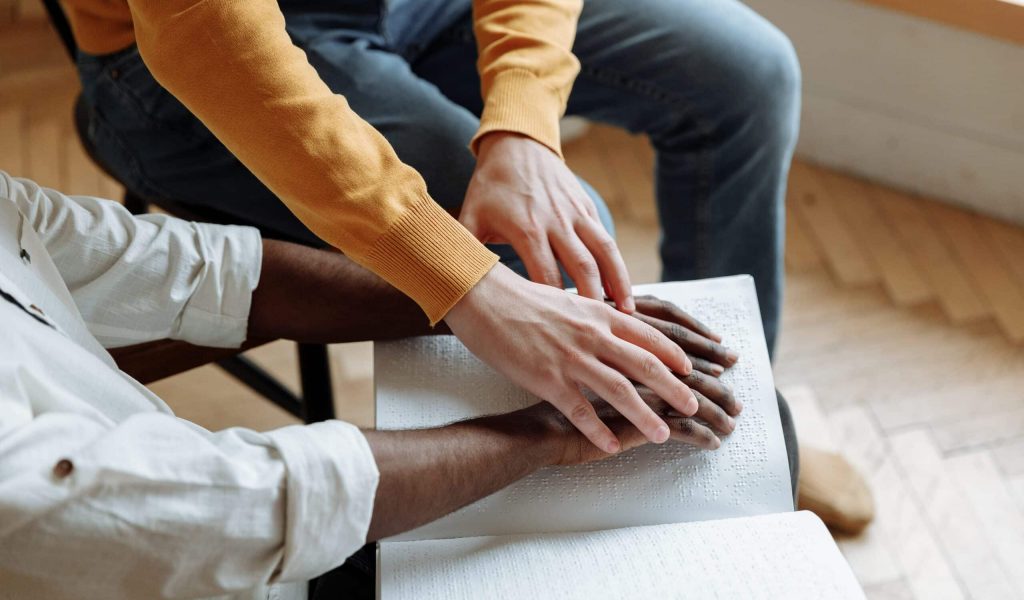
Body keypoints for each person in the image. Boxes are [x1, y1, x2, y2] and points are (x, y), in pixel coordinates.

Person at [0, 172, 799, 598]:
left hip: (243, 524)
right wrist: (544, 435)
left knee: (769, 431)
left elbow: (210, 275)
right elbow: (219, 513)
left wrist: (493, 304)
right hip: (245, 568)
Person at [62, 0, 799, 455]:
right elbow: (205, 30)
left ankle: (740, 429)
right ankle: (608, 491)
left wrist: (524, 123)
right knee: (543, 255)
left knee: (751, 72)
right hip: (186, 58)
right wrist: (467, 283)